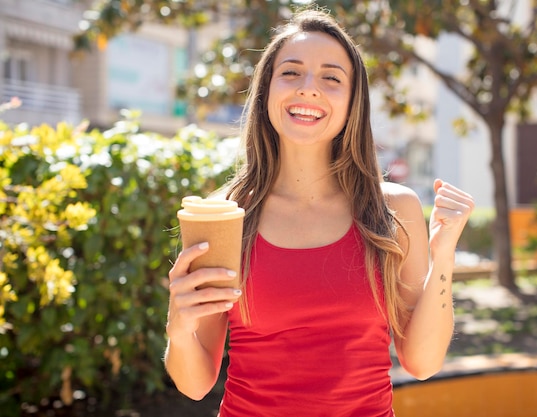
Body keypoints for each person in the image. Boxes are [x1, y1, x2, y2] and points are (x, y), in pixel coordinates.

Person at [164, 8, 474, 417]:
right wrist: (178, 320)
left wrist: (444, 253)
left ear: (352, 103)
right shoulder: (226, 214)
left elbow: (422, 363)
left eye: (331, 78)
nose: (309, 89)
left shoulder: (393, 211)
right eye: (291, 73)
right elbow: (196, 383)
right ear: (266, 91)